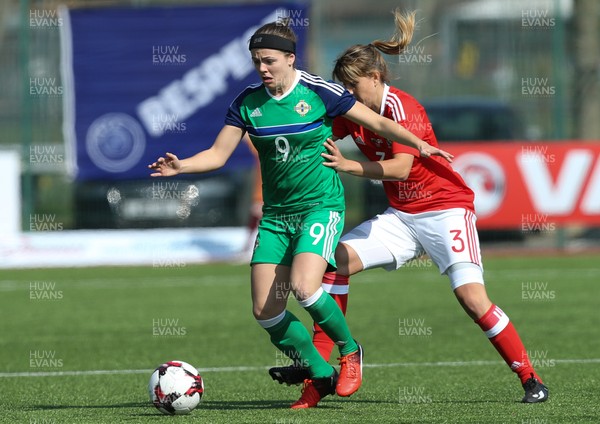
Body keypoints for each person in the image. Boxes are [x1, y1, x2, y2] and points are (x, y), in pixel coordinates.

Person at [148, 18, 453, 409]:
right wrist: (181, 166)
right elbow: (218, 154)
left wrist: (420, 145)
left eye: (269, 60)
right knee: (265, 310)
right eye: (257, 60)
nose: (262, 68)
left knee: (305, 287)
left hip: (319, 208)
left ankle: (349, 350)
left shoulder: (320, 92)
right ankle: (319, 372)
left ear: (290, 59)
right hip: (277, 217)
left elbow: (378, 121)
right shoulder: (246, 103)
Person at [269, 10, 549, 405]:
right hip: (401, 217)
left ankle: (530, 377)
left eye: (352, 85)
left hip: (446, 209)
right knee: (332, 262)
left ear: (375, 78)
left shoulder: (402, 107)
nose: (347, 94)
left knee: (471, 298)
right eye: (342, 87)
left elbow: (401, 168)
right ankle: (323, 371)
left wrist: (350, 165)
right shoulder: (355, 110)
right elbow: (315, 136)